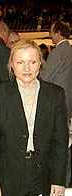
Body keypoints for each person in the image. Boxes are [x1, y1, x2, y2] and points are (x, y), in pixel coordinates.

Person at [0, 39, 69, 196]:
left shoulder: (55, 94)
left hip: (42, 176)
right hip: (7, 176)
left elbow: (60, 141)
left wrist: (59, 180)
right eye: (20, 62)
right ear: (12, 65)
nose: (27, 68)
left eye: (33, 62)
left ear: (40, 64)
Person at [40, 21, 72, 187]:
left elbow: (45, 77)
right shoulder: (70, 50)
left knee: (58, 143)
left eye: (51, 32)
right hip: (69, 102)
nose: (50, 35)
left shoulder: (58, 51)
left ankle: (58, 180)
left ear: (58, 32)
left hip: (58, 103)